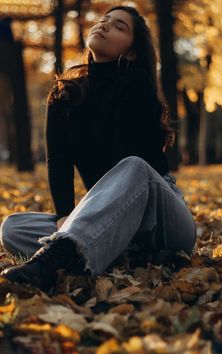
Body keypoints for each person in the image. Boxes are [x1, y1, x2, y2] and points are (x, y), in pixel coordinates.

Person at [0, 5, 196, 293]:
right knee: (13, 227)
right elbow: (59, 161)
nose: (103, 26)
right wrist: (65, 214)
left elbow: (125, 157)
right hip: (108, 219)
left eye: (119, 27)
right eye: (103, 20)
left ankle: (54, 260)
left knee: (132, 165)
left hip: (160, 218)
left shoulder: (136, 84)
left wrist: (76, 224)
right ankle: (116, 253)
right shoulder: (65, 94)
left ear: (131, 53)